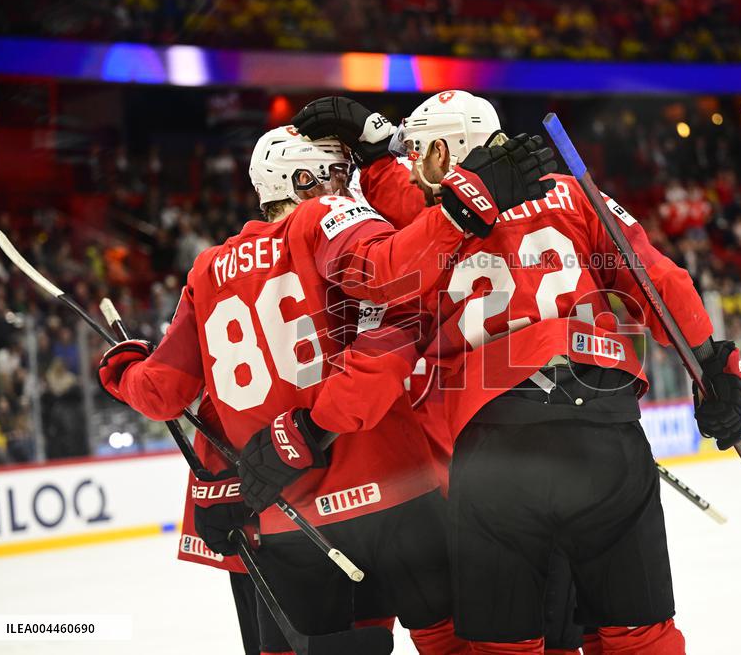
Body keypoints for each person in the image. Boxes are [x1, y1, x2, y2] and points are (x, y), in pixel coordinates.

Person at [295, 92, 741, 654]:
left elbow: (395, 241)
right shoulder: (574, 196)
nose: (411, 168)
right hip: (604, 424)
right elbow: (656, 279)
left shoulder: (432, 222)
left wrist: (374, 154)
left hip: (496, 442)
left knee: (504, 647)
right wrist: (711, 366)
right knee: (641, 636)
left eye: (418, 153)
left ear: (441, 152)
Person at [97, 127, 554, 654]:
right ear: (302, 179)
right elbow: (390, 274)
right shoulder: (322, 221)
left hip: (289, 517)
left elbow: (162, 393)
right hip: (392, 489)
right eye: (338, 173)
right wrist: (461, 205)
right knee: (455, 641)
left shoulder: (207, 269)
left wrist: (122, 368)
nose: (348, 187)